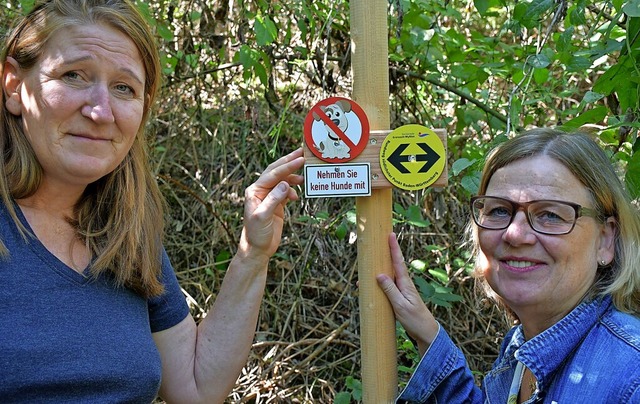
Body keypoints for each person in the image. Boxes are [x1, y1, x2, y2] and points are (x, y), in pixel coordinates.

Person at [0, 0, 304, 402]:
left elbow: (195, 389)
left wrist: (253, 253)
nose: (100, 110)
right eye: (74, 75)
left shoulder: (123, 235)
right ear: (13, 86)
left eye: (124, 87)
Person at [377, 128, 640, 403]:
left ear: (605, 240)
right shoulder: (521, 347)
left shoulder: (632, 377)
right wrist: (427, 335)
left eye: (550, 214)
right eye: (499, 210)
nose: (514, 234)